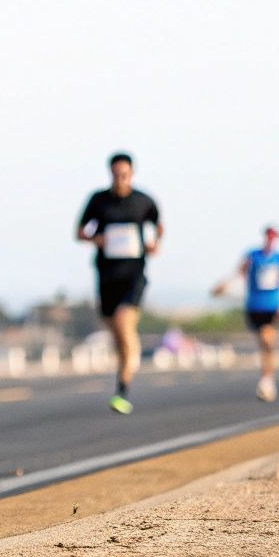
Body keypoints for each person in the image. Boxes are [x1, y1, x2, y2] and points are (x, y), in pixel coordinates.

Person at [77, 152, 163, 414]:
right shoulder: (99, 201)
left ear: (132, 174)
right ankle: (129, 358)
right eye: (116, 175)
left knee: (125, 327)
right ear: (110, 174)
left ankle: (122, 389)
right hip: (107, 276)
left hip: (133, 274)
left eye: (125, 174)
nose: (120, 179)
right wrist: (96, 240)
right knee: (117, 336)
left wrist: (154, 244)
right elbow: (80, 231)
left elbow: (158, 225)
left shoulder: (143, 201)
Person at [213, 225, 279, 402]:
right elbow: (239, 272)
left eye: (274, 238)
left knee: (267, 340)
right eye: (269, 237)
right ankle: (267, 379)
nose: (271, 241)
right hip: (254, 306)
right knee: (264, 344)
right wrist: (223, 286)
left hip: (272, 307)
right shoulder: (253, 256)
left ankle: (267, 380)